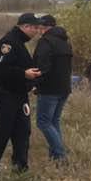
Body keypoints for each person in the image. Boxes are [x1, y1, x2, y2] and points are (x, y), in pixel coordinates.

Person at [0, 13, 42, 173]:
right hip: (5, 94)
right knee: (2, 130)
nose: (37, 31)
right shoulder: (8, 43)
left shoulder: (20, 43)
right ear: (25, 26)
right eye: (35, 27)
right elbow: (0, 72)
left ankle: (20, 167)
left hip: (20, 95)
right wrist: (24, 74)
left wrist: (32, 82)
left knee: (22, 131)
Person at [33, 14, 73, 163]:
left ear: (45, 27)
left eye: (40, 27)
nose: (39, 30)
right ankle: (55, 157)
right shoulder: (65, 42)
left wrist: (35, 83)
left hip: (49, 89)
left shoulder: (46, 42)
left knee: (43, 122)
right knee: (54, 121)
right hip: (64, 88)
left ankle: (60, 155)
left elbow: (42, 67)